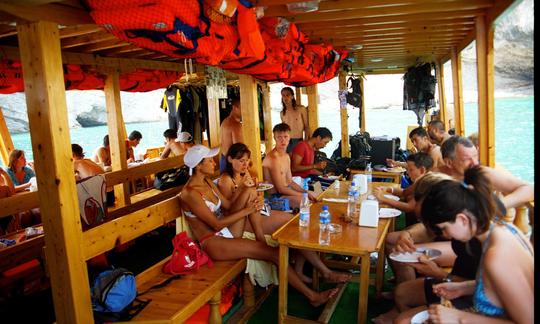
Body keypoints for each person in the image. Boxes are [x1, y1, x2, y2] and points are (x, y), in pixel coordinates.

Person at [179, 144, 340, 307]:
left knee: (250, 192)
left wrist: (245, 191)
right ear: (198, 166)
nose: (214, 162)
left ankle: (259, 237)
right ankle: (312, 296)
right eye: (209, 161)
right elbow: (215, 224)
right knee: (275, 254)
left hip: (226, 230)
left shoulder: (207, 182)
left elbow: (227, 206)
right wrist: (247, 210)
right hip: (213, 240)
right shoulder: (190, 193)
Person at [395, 166, 533, 324]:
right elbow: (504, 289)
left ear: (462, 219)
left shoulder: (497, 257)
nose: (446, 235)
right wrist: (464, 287)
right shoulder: (501, 229)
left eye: (444, 229)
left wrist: (459, 317)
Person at [218, 142, 351, 284]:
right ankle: (325, 272)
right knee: (291, 226)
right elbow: (229, 211)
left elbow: (254, 197)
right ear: (230, 159)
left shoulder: (246, 175)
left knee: (295, 222)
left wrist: (256, 195)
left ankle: (300, 270)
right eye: (240, 161)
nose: (245, 164)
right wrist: (244, 192)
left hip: (255, 213)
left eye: (246, 161)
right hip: (241, 221)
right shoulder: (226, 180)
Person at [373, 172, 483, 324]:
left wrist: (438, 273)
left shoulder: (485, 243)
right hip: (456, 285)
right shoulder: (460, 224)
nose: (442, 233)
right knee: (401, 293)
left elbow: (485, 294)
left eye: (442, 229)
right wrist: (407, 234)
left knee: (402, 321)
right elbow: (426, 230)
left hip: (471, 300)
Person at [439, 136, 533, 209]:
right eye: (467, 159)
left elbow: (529, 189)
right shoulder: (436, 177)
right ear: (449, 162)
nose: (475, 162)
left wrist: (496, 207)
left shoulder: (482, 173)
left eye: (476, 156)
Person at [262, 123, 318, 209]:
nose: (283, 140)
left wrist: (305, 192)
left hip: (286, 192)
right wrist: (304, 195)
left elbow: (290, 182)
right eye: (279, 137)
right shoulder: (273, 158)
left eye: (285, 137)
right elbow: (280, 189)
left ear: (289, 137)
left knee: (316, 194)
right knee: (304, 201)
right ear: (274, 138)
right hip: (274, 198)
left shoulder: (286, 156)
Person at [373, 152, 433, 223]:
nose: (407, 172)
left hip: (427, 223)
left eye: (411, 170)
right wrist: (387, 189)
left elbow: (409, 207)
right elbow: (404, 192)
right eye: (407, 169)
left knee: (392, 234)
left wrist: (383, 199)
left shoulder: (427, 183)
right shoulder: (421, 179)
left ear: (422, 170)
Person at [280, 87, 308, 153]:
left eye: (287, 95)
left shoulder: (301, 109)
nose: (285, 97)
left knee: (298, 162)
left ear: (292, 96)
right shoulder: (282, 113)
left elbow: (306, 126)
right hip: (286, 141)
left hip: (298, 140)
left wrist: (306, 141)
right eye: (283, 95)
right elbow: (283, 130)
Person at [220, 98, 243, 173]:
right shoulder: (235, 125)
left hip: (224, 159)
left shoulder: (225, 121)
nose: (244, 111)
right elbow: (239, 150)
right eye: (242, 108)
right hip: (231, 163)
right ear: (234, 108)